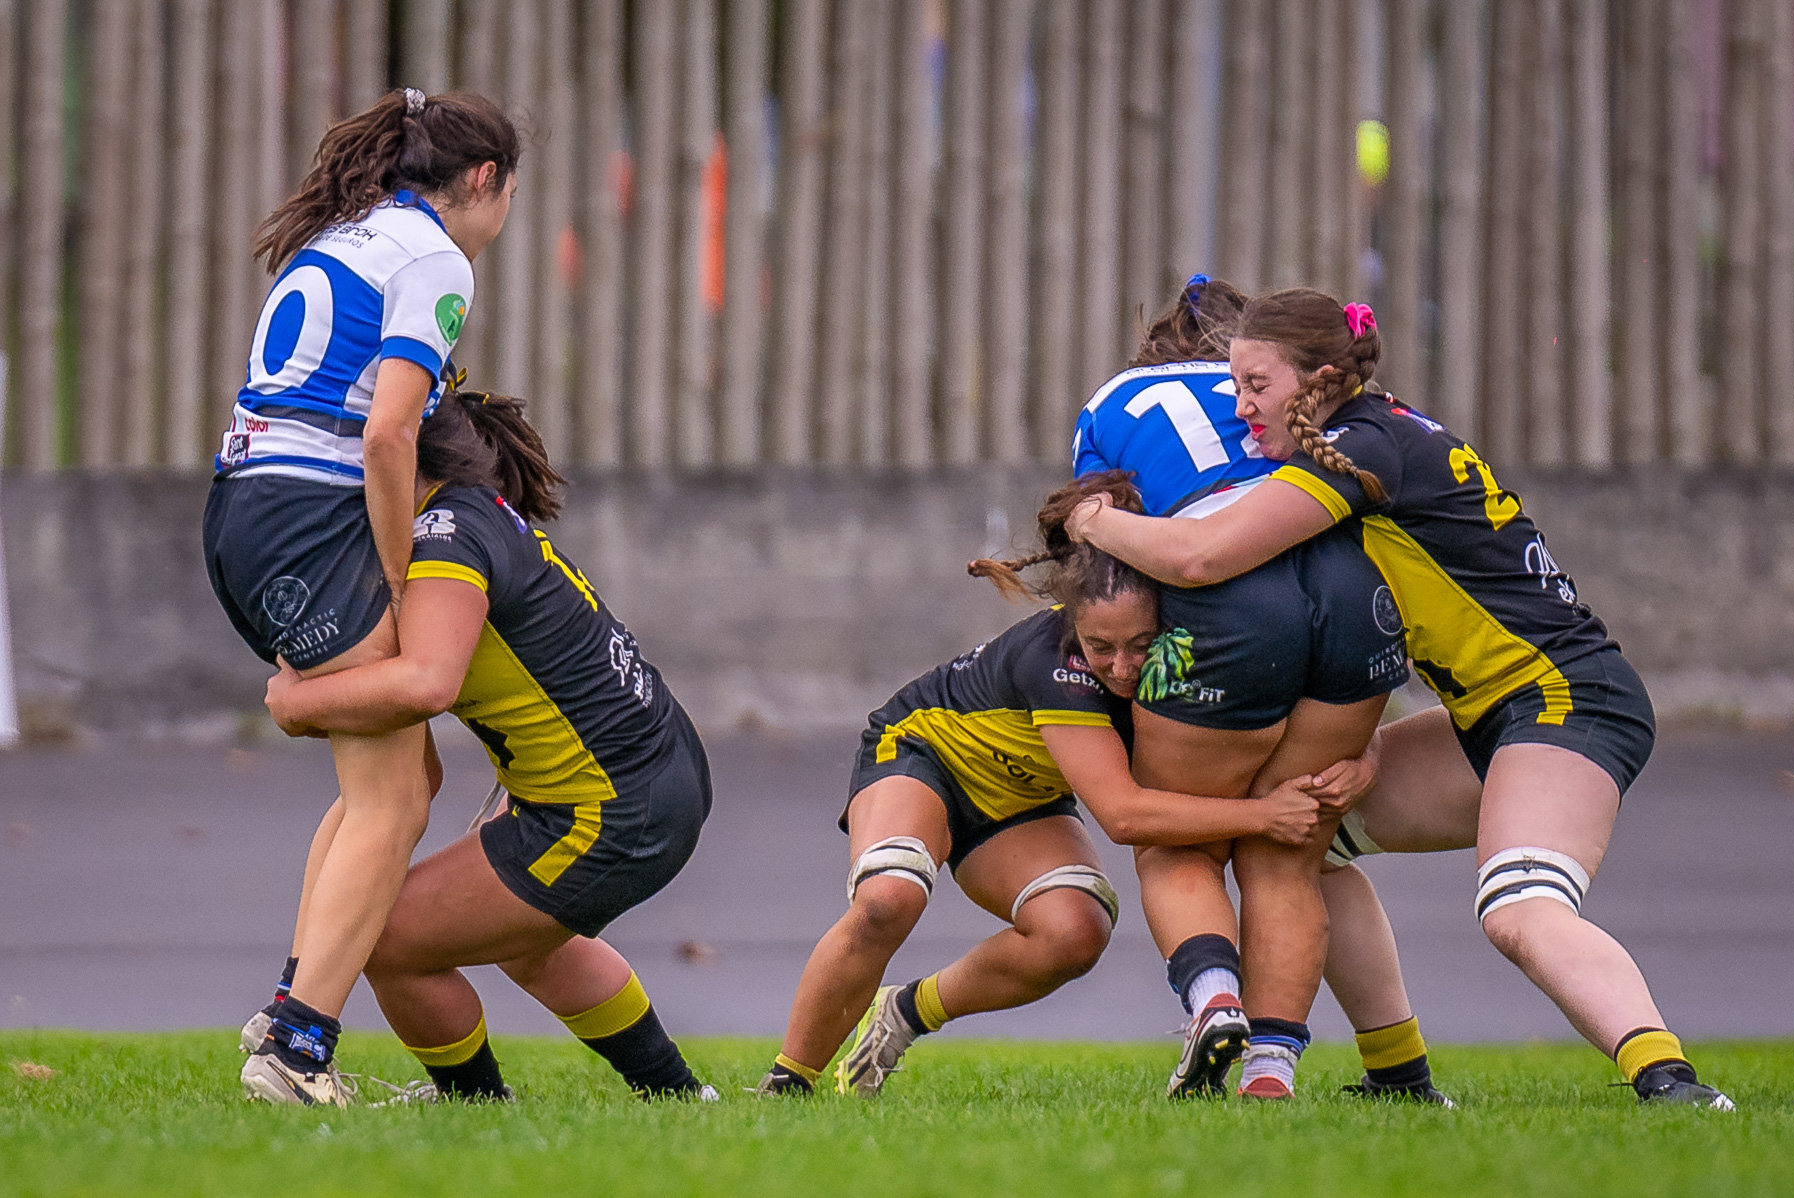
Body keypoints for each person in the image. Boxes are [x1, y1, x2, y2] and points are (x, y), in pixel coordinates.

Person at [1068, 286, 1733, 1110]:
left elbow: (1203, 555)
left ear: (1317, 381)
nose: (1238, 407)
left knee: (1518, 907)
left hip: (1566, 700)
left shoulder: (1358, 446)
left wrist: (1091, 521)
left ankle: (1670, 1082)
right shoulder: (1369, 434)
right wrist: (1370, 750)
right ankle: (1400, 1080)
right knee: (1308, 833)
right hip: (1487, 715)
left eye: (1254, 386)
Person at [755, 475, 1346, 1099]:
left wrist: (1359, 763)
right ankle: (788, 1084)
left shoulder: (1198, 651)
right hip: (926, 754)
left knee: (1076, 932)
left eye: (1140, 646)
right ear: (1074, 624)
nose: (1121, 668)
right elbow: (1123, 815)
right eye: (1101, 647)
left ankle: (903, 1013)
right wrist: (1261, 817)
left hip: (1022, 798)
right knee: (889, 899)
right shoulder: (1055, 660)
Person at [260, 384, 716, 1106]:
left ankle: (474, 1108)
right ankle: (677, 1099)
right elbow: (421, 761)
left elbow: (428, 684)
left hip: (612, 806)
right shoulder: (468, 519)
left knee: (384, 938)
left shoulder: (445, 536)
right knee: (524, 942)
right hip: (646, 776)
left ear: (401, 451)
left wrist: (296, 705)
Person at [203, 87, 520, 1105]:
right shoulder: (436, 258)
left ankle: (291, 1001)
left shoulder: (353, 232)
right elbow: (389, 434)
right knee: (390, 795)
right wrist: (394, 569)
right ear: (483, 181)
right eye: (509, 192)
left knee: (401, 780)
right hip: (305, 518)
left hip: (246, 507)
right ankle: (297, 1052)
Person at [1074, 274, 1447, 1103]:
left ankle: (1214, 1004)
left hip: (1227, 597)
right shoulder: (1312, 397)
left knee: (1180, 845)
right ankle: (1271, 1070)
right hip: (1357, 591)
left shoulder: (1114, 401)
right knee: (1289, 852)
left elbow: (1115, 569)